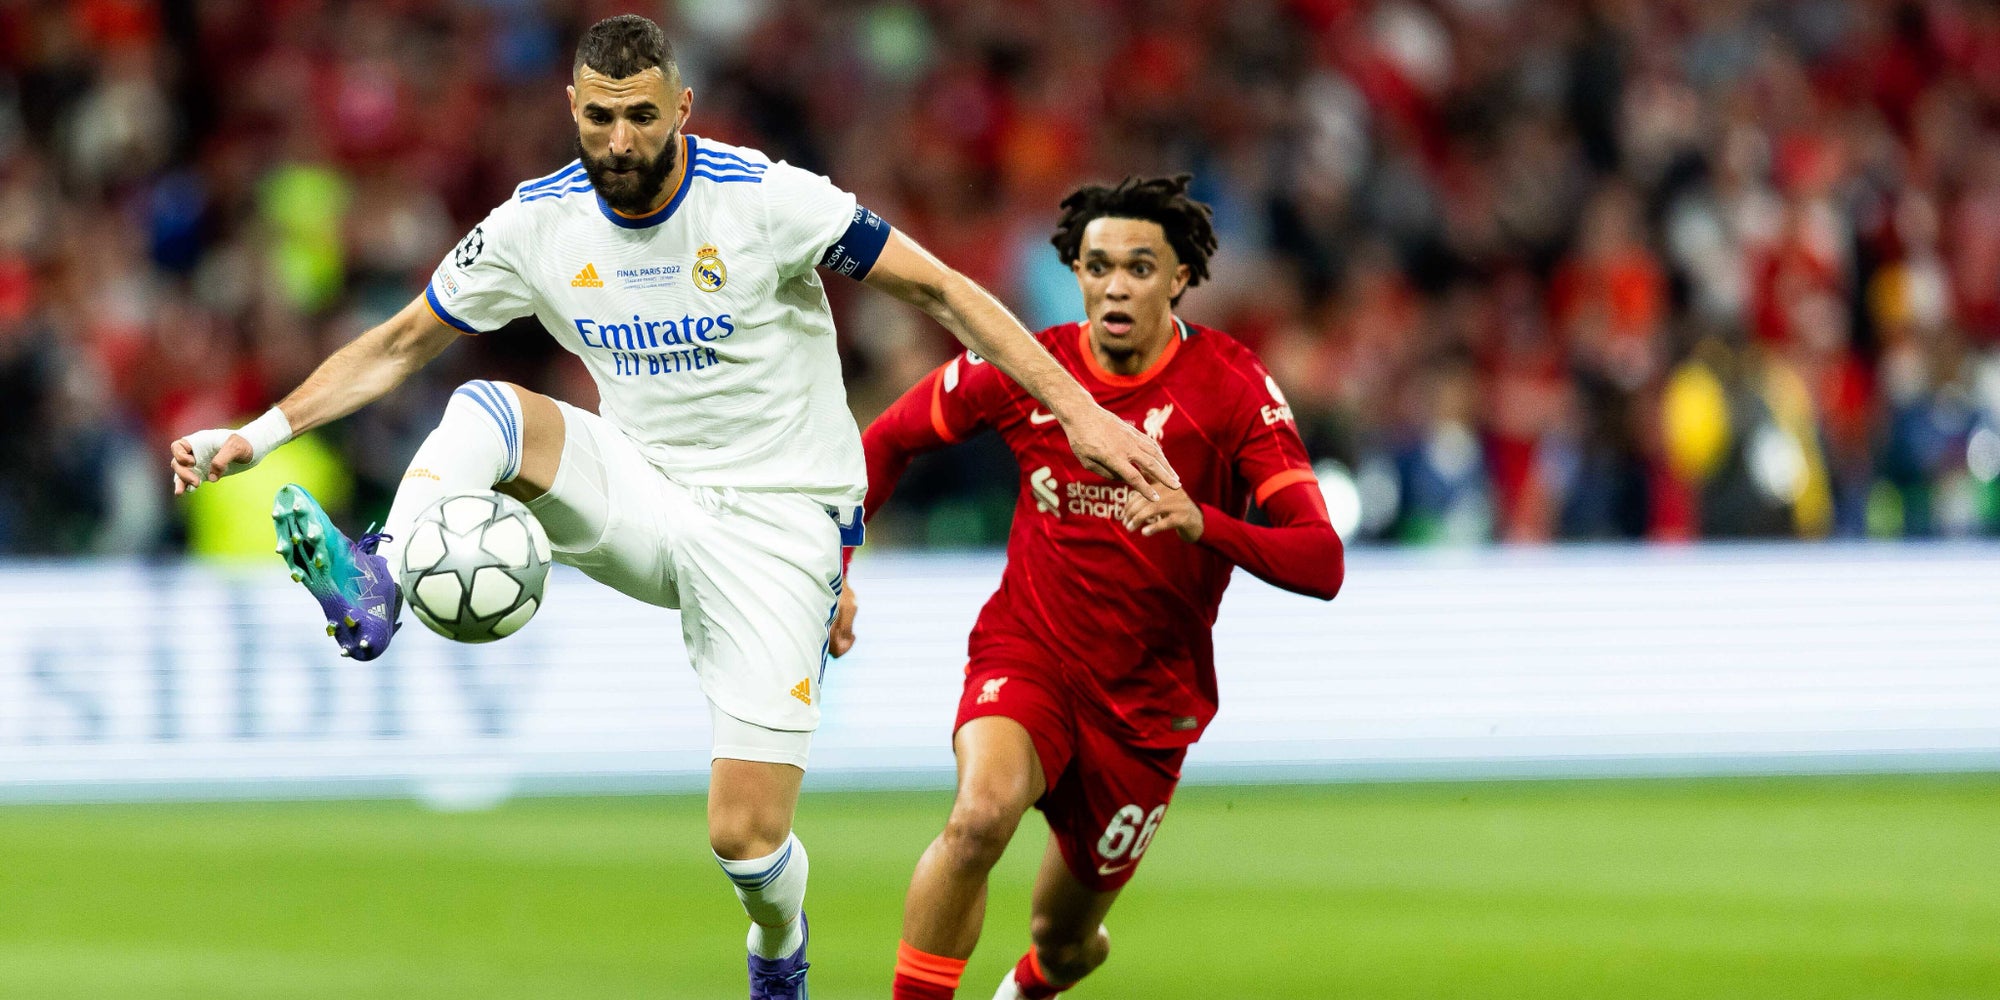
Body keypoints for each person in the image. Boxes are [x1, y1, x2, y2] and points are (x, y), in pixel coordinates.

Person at [166, 16, 1176, 1000]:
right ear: (571, 106)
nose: (619, 139)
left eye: (642, 116)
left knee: (744, 836)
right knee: (487, 410)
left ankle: (779, 947)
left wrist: (1080, 411)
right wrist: (253, 436)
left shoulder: (765, 200)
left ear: (682, 107)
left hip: (779, 530)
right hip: (644, 492)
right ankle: (380, 572)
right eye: (600, 116)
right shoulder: (535, 222)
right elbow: (395, 343)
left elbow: (945, 292)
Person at [840, 174, 1344, 1000]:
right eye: (1097, 264)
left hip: (1148, 707)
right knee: (977, 821)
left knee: (1065, 942)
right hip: (1030, 654)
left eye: (1140, 268)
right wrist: (840, 570)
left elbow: (1321, 559)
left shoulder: (1232, 389)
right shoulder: (1027, 368)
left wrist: (1201, 523)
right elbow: (884, 444)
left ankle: (1031, 984)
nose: (1115, 284)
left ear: (1179, 278)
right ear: (1074, 271)